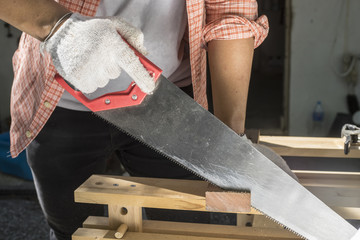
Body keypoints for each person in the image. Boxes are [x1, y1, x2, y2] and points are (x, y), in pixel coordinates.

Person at [0, 0, 277, 239]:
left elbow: (229, 13)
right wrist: (58, 29)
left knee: (183, 229)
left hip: (170, 99)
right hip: (63, 98)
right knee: (74, 229)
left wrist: (232, 141)